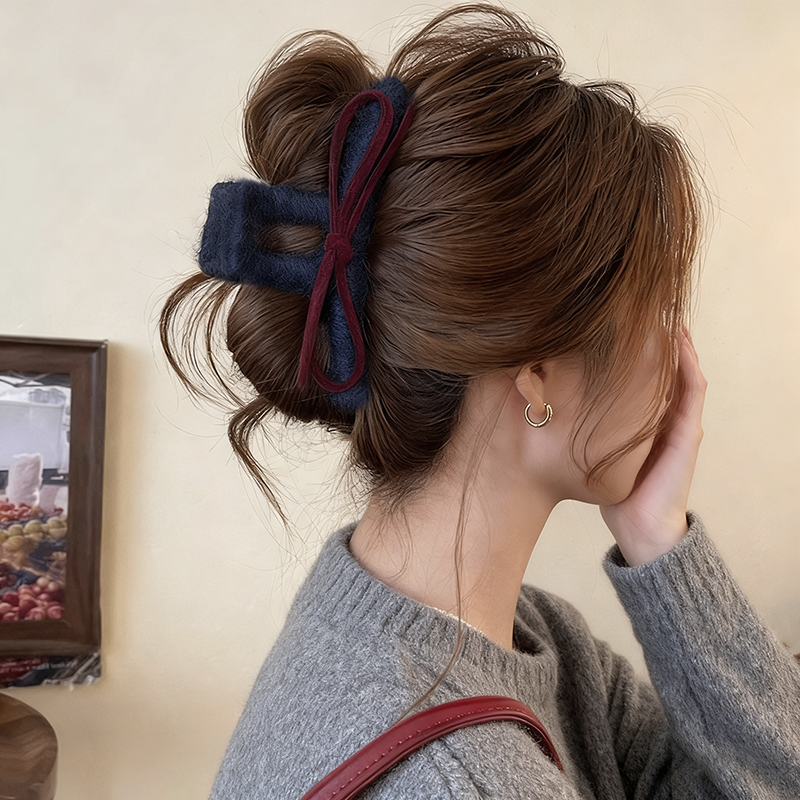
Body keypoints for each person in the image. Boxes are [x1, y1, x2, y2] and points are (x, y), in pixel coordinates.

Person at [160, 4, 800, 798]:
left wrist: (662, 545)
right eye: (655, 307)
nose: (678, 352)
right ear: (536, 372)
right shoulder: (461, 779)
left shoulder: (525, 640)